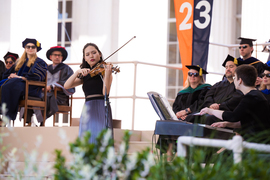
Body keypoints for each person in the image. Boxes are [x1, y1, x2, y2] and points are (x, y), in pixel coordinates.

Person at [200, 65, 270, 142]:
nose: (234, 81)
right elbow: (246, 121)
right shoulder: (254, 95)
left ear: (240, 80)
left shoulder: (252, 97)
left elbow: (233, 116)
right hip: (255, 138)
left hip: (258, 141)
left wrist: (211, 111)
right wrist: (226, 124)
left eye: (235, 78)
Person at [64, 43, 113, 143]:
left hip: (101, 105)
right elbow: (66, 86)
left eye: (94, 53)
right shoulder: (86, 74)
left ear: (99, 54)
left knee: (101, 137)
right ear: (84, 58)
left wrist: (107, 75)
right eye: (87, 54)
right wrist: (77, 72)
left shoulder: (104, 71)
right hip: (88, 106)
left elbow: (105, 93)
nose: (91, 56)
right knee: (87, 138)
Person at [166, 65, 211, 160]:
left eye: (195, 74)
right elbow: (175, 107)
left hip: (195, 116)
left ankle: (180, 152)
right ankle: (168, 153)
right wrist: (178, 114)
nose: (192, 76)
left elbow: (201, 103)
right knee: (167, 123)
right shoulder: (183, 92)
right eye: (190, 74)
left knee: (189, 120)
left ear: (200, 77)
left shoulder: (206, 89)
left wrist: (186, 112)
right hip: (181, 117)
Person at [22, 46, 75, 125]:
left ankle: (41, 121)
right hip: (44, 93)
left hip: (59, 96)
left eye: (59, 55)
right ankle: (28, 121)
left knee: (43, 97)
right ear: (51, 57)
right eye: (55, 55)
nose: (57, 57)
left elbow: (68, 83)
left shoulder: (67, 69)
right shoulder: (45, 68)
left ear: (62, 57)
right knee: (29, 96)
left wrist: (52, 87)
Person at [185, 55, 244, 124]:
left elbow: (235, 100)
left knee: (209, 118)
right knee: (190, 117)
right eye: (226, 67)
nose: (228, 69)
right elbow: (208, 96)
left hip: (225, 113)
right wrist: (211, 104)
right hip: (211, 110)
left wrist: (219, 106)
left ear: (238, 69)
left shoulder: (239, 85)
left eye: (231, 67)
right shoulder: (218, 84)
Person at [0, 38, 47, 124]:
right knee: (3, 84)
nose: (30, 48)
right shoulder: (19, 62)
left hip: (32, 87)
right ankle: (2, 115)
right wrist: (11, 76)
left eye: (33, 47)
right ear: (25, 48)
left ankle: (7, 116)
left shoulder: (40, 62)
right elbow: (6, 74)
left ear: (36, 49)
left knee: (9, 85)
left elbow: (36, 77)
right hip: (18, 84)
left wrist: (18, 77)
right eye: (28, 46)